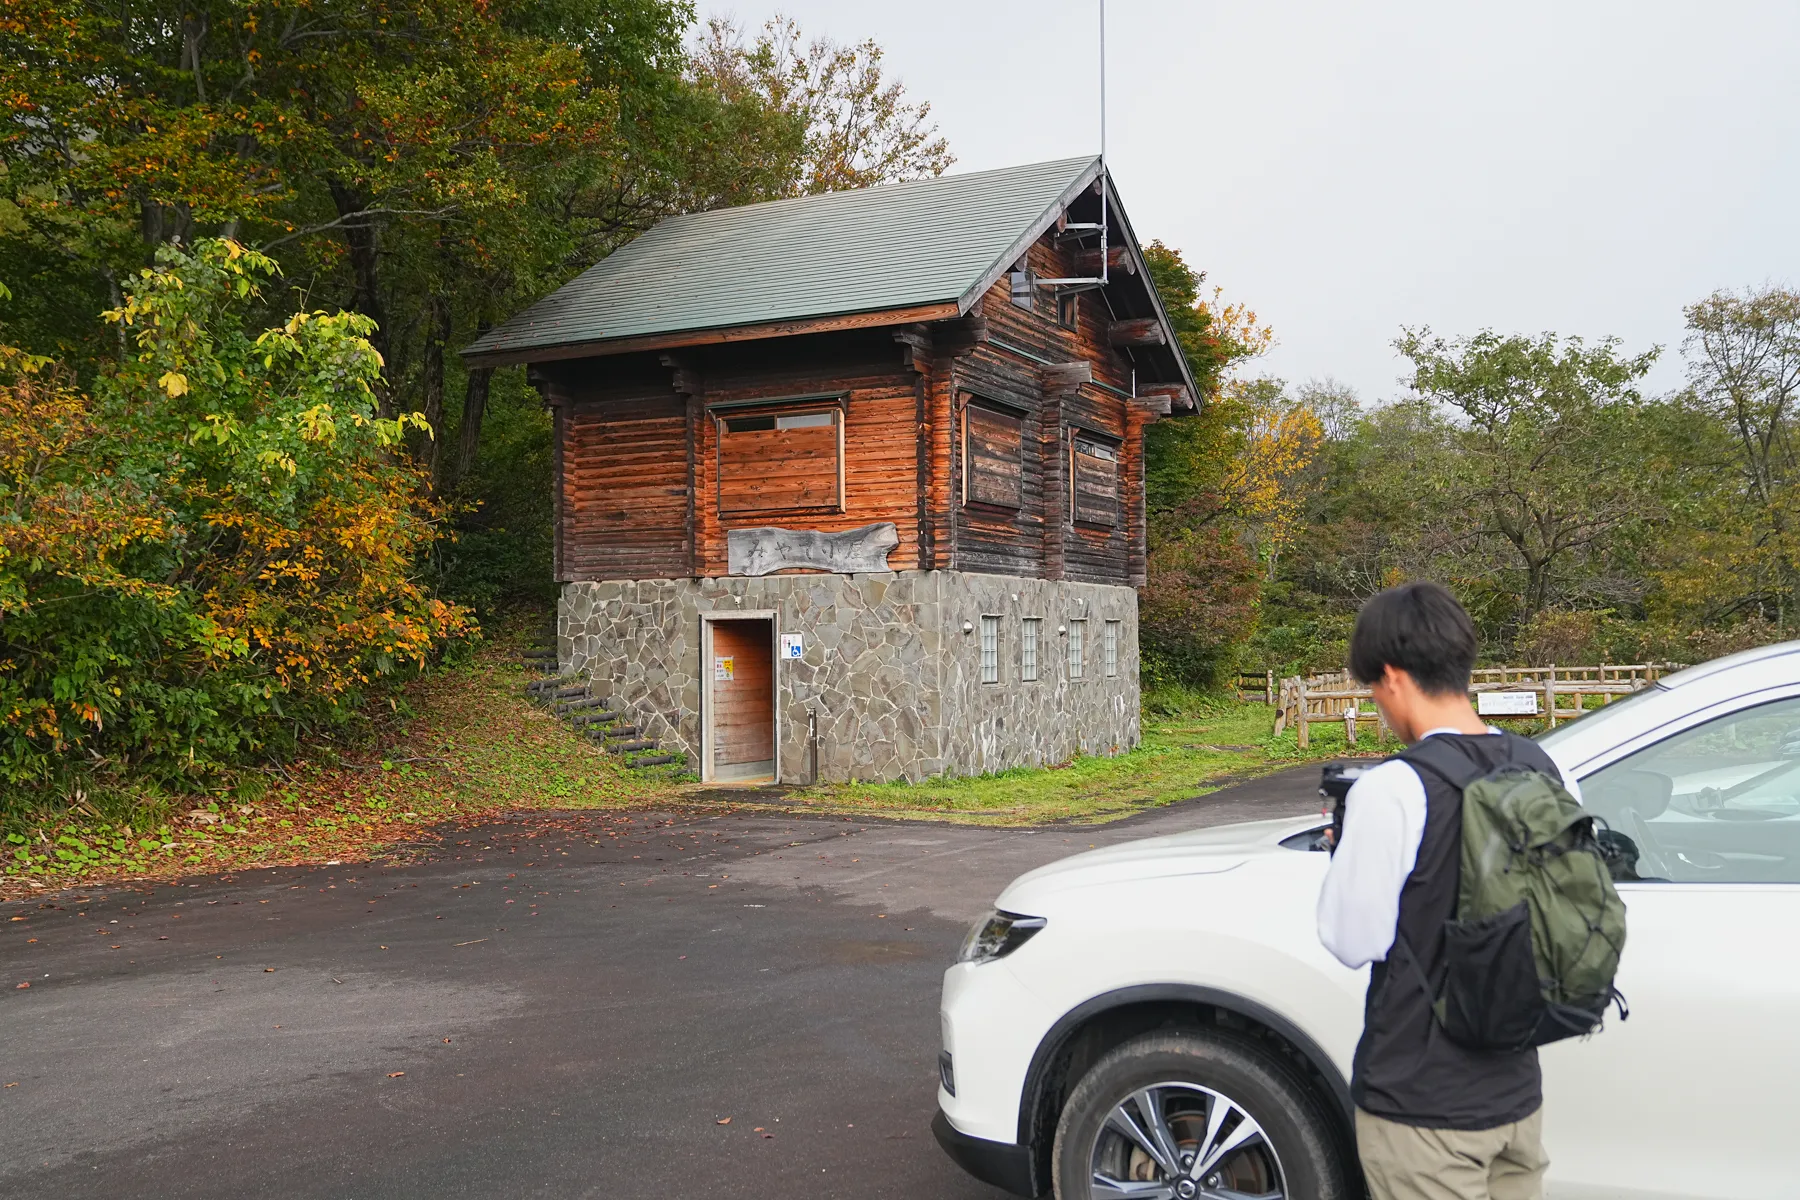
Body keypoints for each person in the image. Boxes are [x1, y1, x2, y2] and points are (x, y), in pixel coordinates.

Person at [1317, 581, 1569, 1200]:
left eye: (1373, 690)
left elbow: (1351, 940)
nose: (1378, 706)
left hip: (1422, 1108)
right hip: (1515, 1097)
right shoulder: (1542, 768)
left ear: (1394, 677)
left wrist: (1344, 853)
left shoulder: (1395, 788)